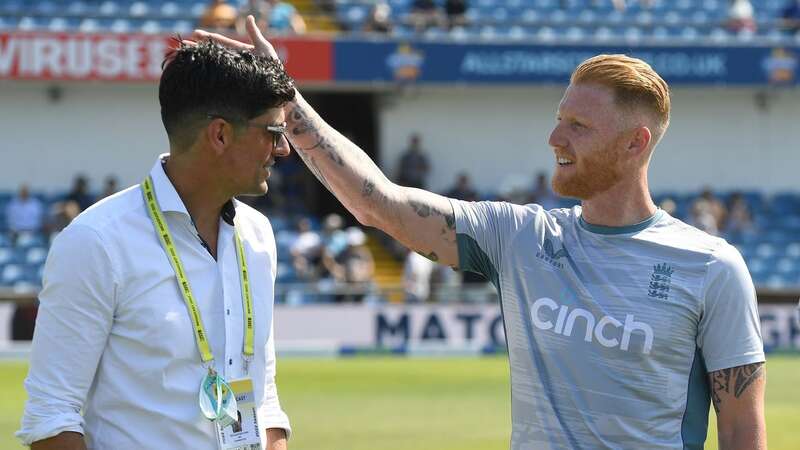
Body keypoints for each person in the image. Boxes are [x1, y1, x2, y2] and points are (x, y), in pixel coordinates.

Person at [199, 22, 766, 448]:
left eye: (578, 125)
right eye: (558, 116)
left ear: (635, 144)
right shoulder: (520, 237)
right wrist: (286, 99)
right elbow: (377, 202)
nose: (553, 137)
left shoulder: (711, 267)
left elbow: (743, 431)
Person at [18, 38, 295, 450]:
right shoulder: (96, 242)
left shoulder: (258, 236)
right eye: (273, 132)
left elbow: (261, 394)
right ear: (219, 135)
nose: (283, 149)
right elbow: (51, 419)